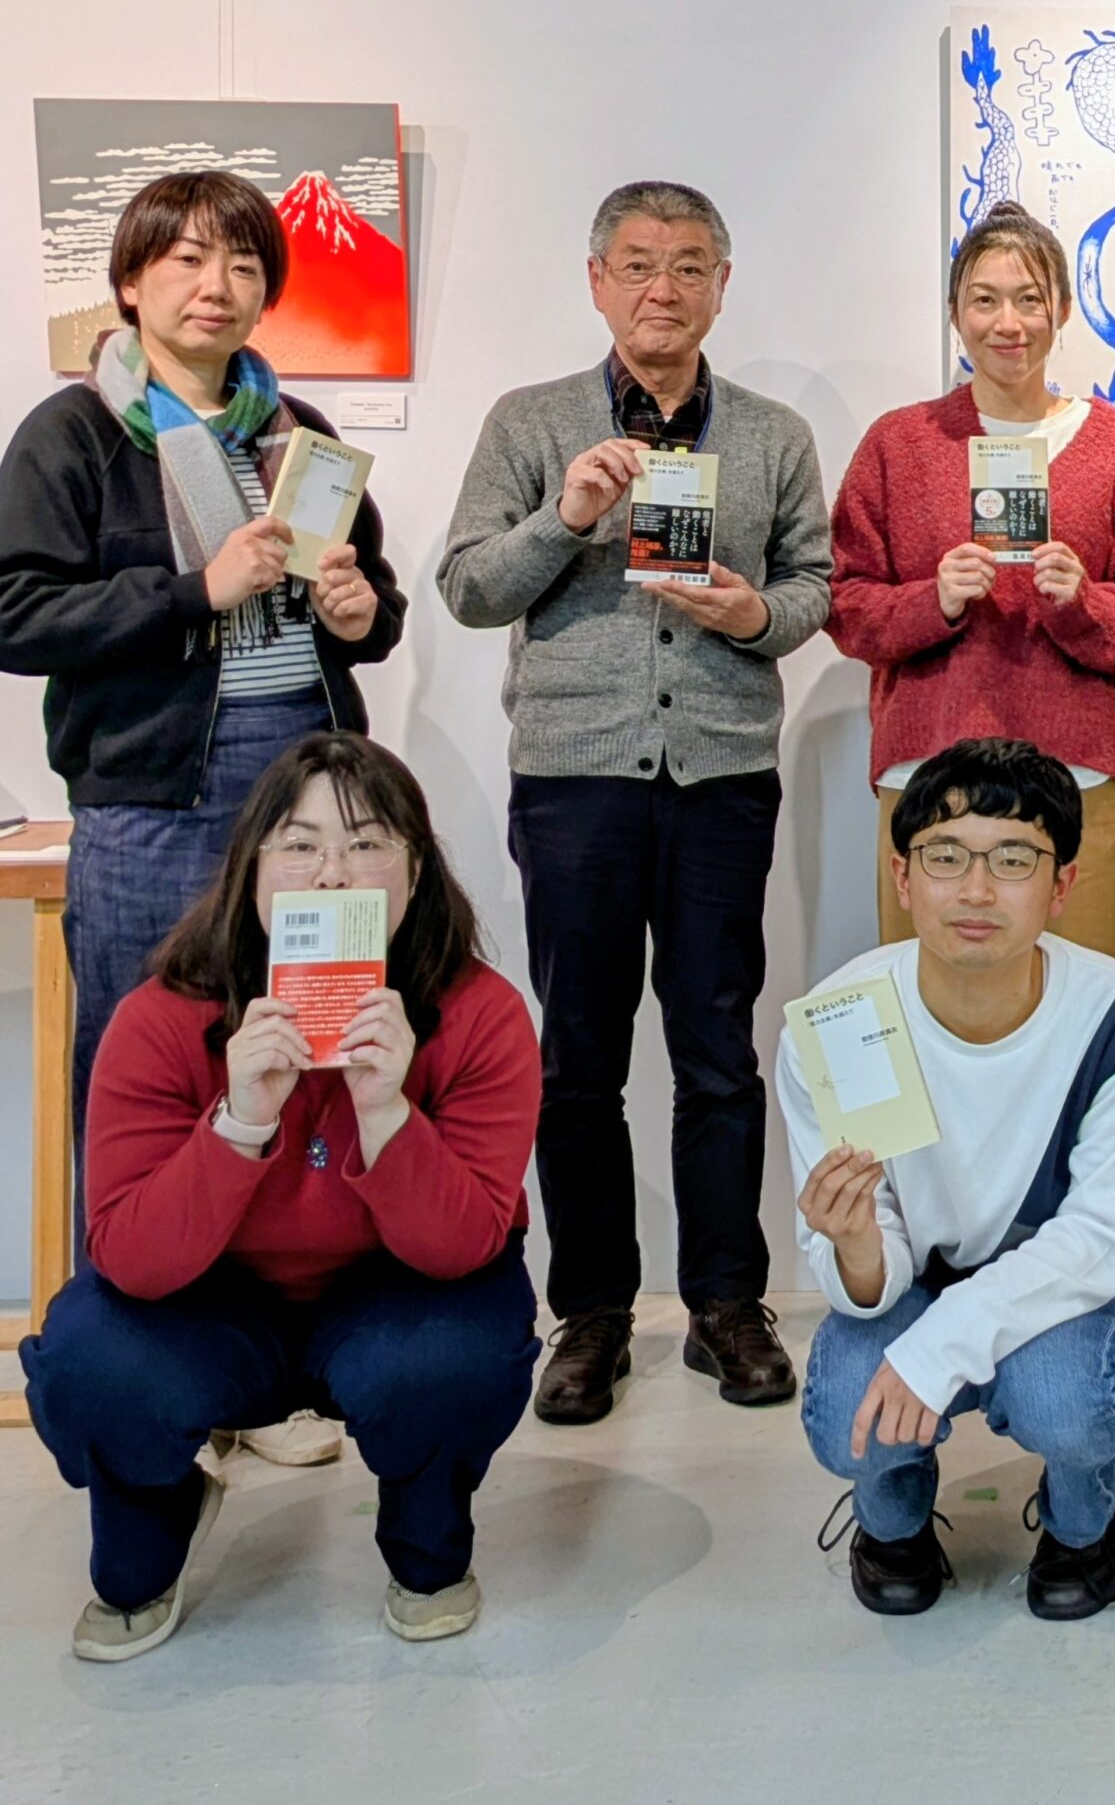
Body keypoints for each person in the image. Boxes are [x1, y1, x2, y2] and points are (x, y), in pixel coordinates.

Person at [438, 180, 832, 1424]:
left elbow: (815, 583)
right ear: (597, 280)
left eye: (690, 265)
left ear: (723, 285)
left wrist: (754, 614)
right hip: (575, 780)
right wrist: (565, 518)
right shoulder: (529, 421)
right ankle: (592, 1312)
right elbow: (466, 588)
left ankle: (726, 1302)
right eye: (640, 264)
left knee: (718, 1050)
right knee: (579, 1058)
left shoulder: (770, 435)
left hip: (720, 776)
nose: (665, 287)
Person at [17, 734, 539, 1660]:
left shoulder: (479, 1013)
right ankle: (161, 1509)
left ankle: (425, 1536)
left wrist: (386, 1113)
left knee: (449, 1366)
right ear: (251, 872)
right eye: (299, 845)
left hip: (394, 1292)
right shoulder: (163, 1016)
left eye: (368, 843)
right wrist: (239, 1122)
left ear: (415, 872)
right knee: (91, 1367)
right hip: (211, 1297)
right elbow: (128, 1257)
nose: (333, 874)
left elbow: (466, 1247)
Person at [0, 169, 405, 1166]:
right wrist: (194, 592)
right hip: (153, 797)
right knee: (144, 1064)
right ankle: (133, 1265)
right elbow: (16, 614)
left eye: (244, 265)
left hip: (309, 787)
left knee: (313, 1054)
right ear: (130, 282)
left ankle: (296, 1259)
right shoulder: (75, 433)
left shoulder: (297, 429)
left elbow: (372, 599)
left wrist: (360, 613)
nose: (216, 285)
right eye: (187, 259)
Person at [783, 739, 1115, 1623]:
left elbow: (1102, 1238)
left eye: (1014, 860)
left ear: (1062, 885)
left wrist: (938, 1350)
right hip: (916, 1282)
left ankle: (1082, 1526)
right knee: (847, 1414)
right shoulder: (844, 1022)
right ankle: (893, 1527)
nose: (976, 890)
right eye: (946, 857)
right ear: (902, 876)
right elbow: (867, 1278)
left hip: (1064, 1286)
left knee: (1067, 1404)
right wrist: (856, 1245)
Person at [826, 200, 1115, 968]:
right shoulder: (900, 443)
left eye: (1029, 299)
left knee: (1087, 1002)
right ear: (955, 313)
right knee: (932, 1003)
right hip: (931, 775)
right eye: (985, 300)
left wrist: (1083, 601)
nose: (1008, 323)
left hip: (1080, 776)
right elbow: (846, 603)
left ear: (1062, 310)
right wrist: (934, 599)